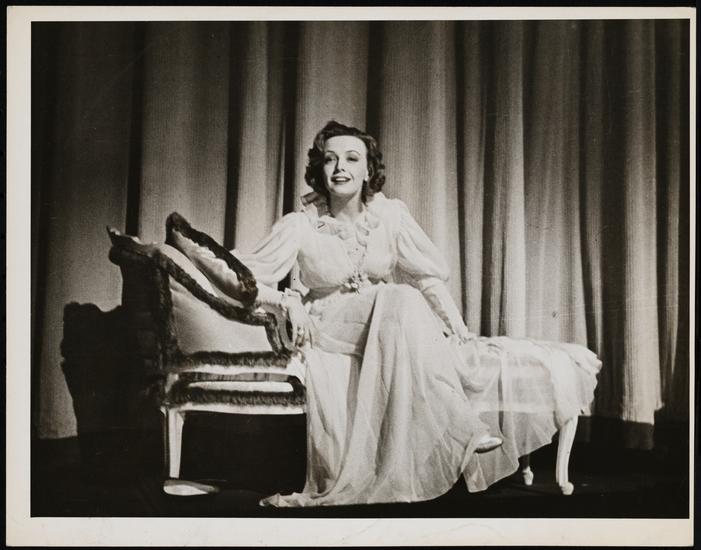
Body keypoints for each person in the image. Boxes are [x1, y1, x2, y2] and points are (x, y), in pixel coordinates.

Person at [234, 120, 601, 507]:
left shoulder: (390, 216)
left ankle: (438, 438)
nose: (340, 167)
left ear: (368, 170)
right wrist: (285, 302)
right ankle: (460, 427)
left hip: (387, 320)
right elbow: (245, 278)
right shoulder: (300, 224)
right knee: (399, 297)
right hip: (328, 322)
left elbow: (427, 278)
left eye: (352, 158)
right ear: (319, 169)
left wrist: (458, 329)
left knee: (401, 299)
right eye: (330, 159)